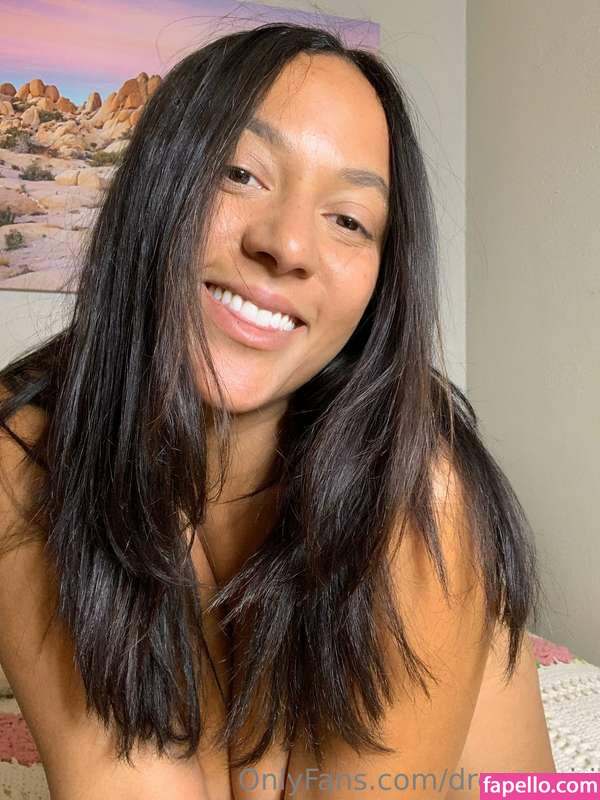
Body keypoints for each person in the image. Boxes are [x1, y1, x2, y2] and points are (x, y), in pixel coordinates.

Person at [0, 21, 556, 800]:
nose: (287, 245)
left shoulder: (415, 493)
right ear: (157, 183)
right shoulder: (30, 446)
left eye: (349, 220)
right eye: (240, 173)